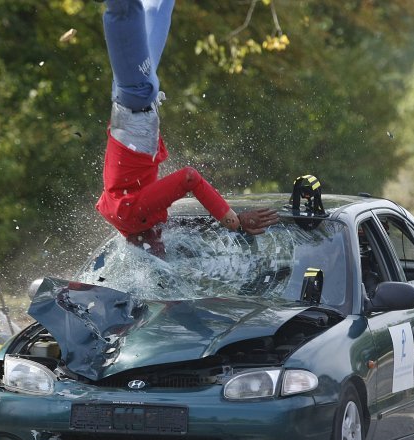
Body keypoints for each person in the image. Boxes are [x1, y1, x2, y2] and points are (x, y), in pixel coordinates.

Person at [95, 0, 278, 253]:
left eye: (158, 246)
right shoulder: (126, 219)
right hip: (133, 105)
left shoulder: (132, 215)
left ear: (144, 241)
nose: (163, 240)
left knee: (125, 9)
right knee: (157, 10)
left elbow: (189, 178)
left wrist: (233, 222)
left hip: (136, 102)